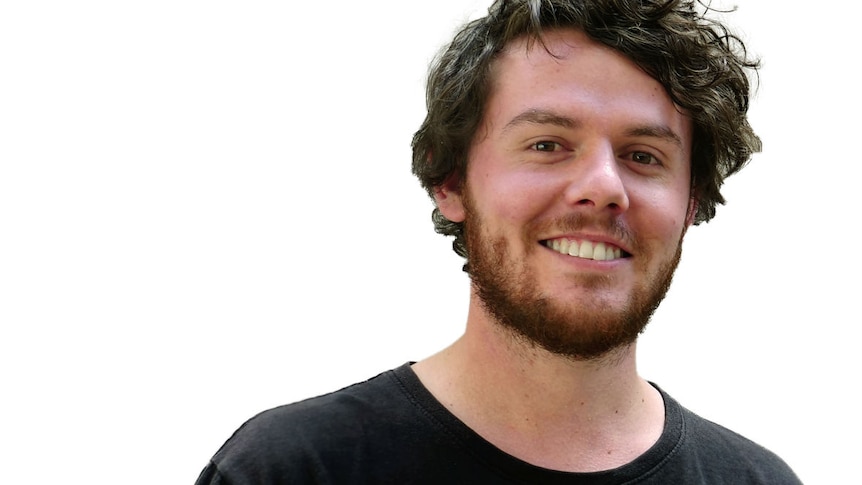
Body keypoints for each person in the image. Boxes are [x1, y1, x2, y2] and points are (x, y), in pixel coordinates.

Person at [195, 0, 801, 483]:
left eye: (644, 156)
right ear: (450, 179)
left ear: (691, 202)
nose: (603, 188)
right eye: (547, 145)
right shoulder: (290, 470)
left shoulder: (757, 480)